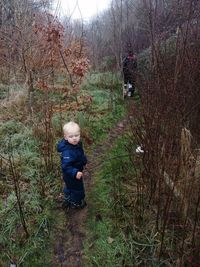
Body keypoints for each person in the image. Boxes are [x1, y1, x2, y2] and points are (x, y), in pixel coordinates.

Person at [57, 121, 87, 209]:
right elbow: (65, 166)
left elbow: (80, 155)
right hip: (71, 174)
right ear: (65, 137)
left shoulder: (77, 144)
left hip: (74, 171)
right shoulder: (67, 152)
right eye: (71, 136)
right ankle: (76, 202)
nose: (74, 138)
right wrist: (75, 172)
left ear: (79, 134)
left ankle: (67, 196)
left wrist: (84, 161)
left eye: (76, 135)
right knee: (77, 188)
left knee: (70, 186)